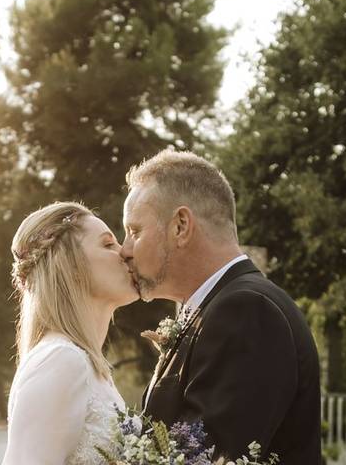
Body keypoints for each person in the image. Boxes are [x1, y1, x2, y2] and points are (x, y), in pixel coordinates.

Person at [120, 150, 322, 464]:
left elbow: (211, 455)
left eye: (134, 231)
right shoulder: (216, 308)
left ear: (180, 226)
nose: (125, 250)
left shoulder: (246, 311)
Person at [2, 201, 138, 465]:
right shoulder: (61, 360)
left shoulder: (86, 364)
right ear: (71, 266)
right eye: (108, 244)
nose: (125, 253)